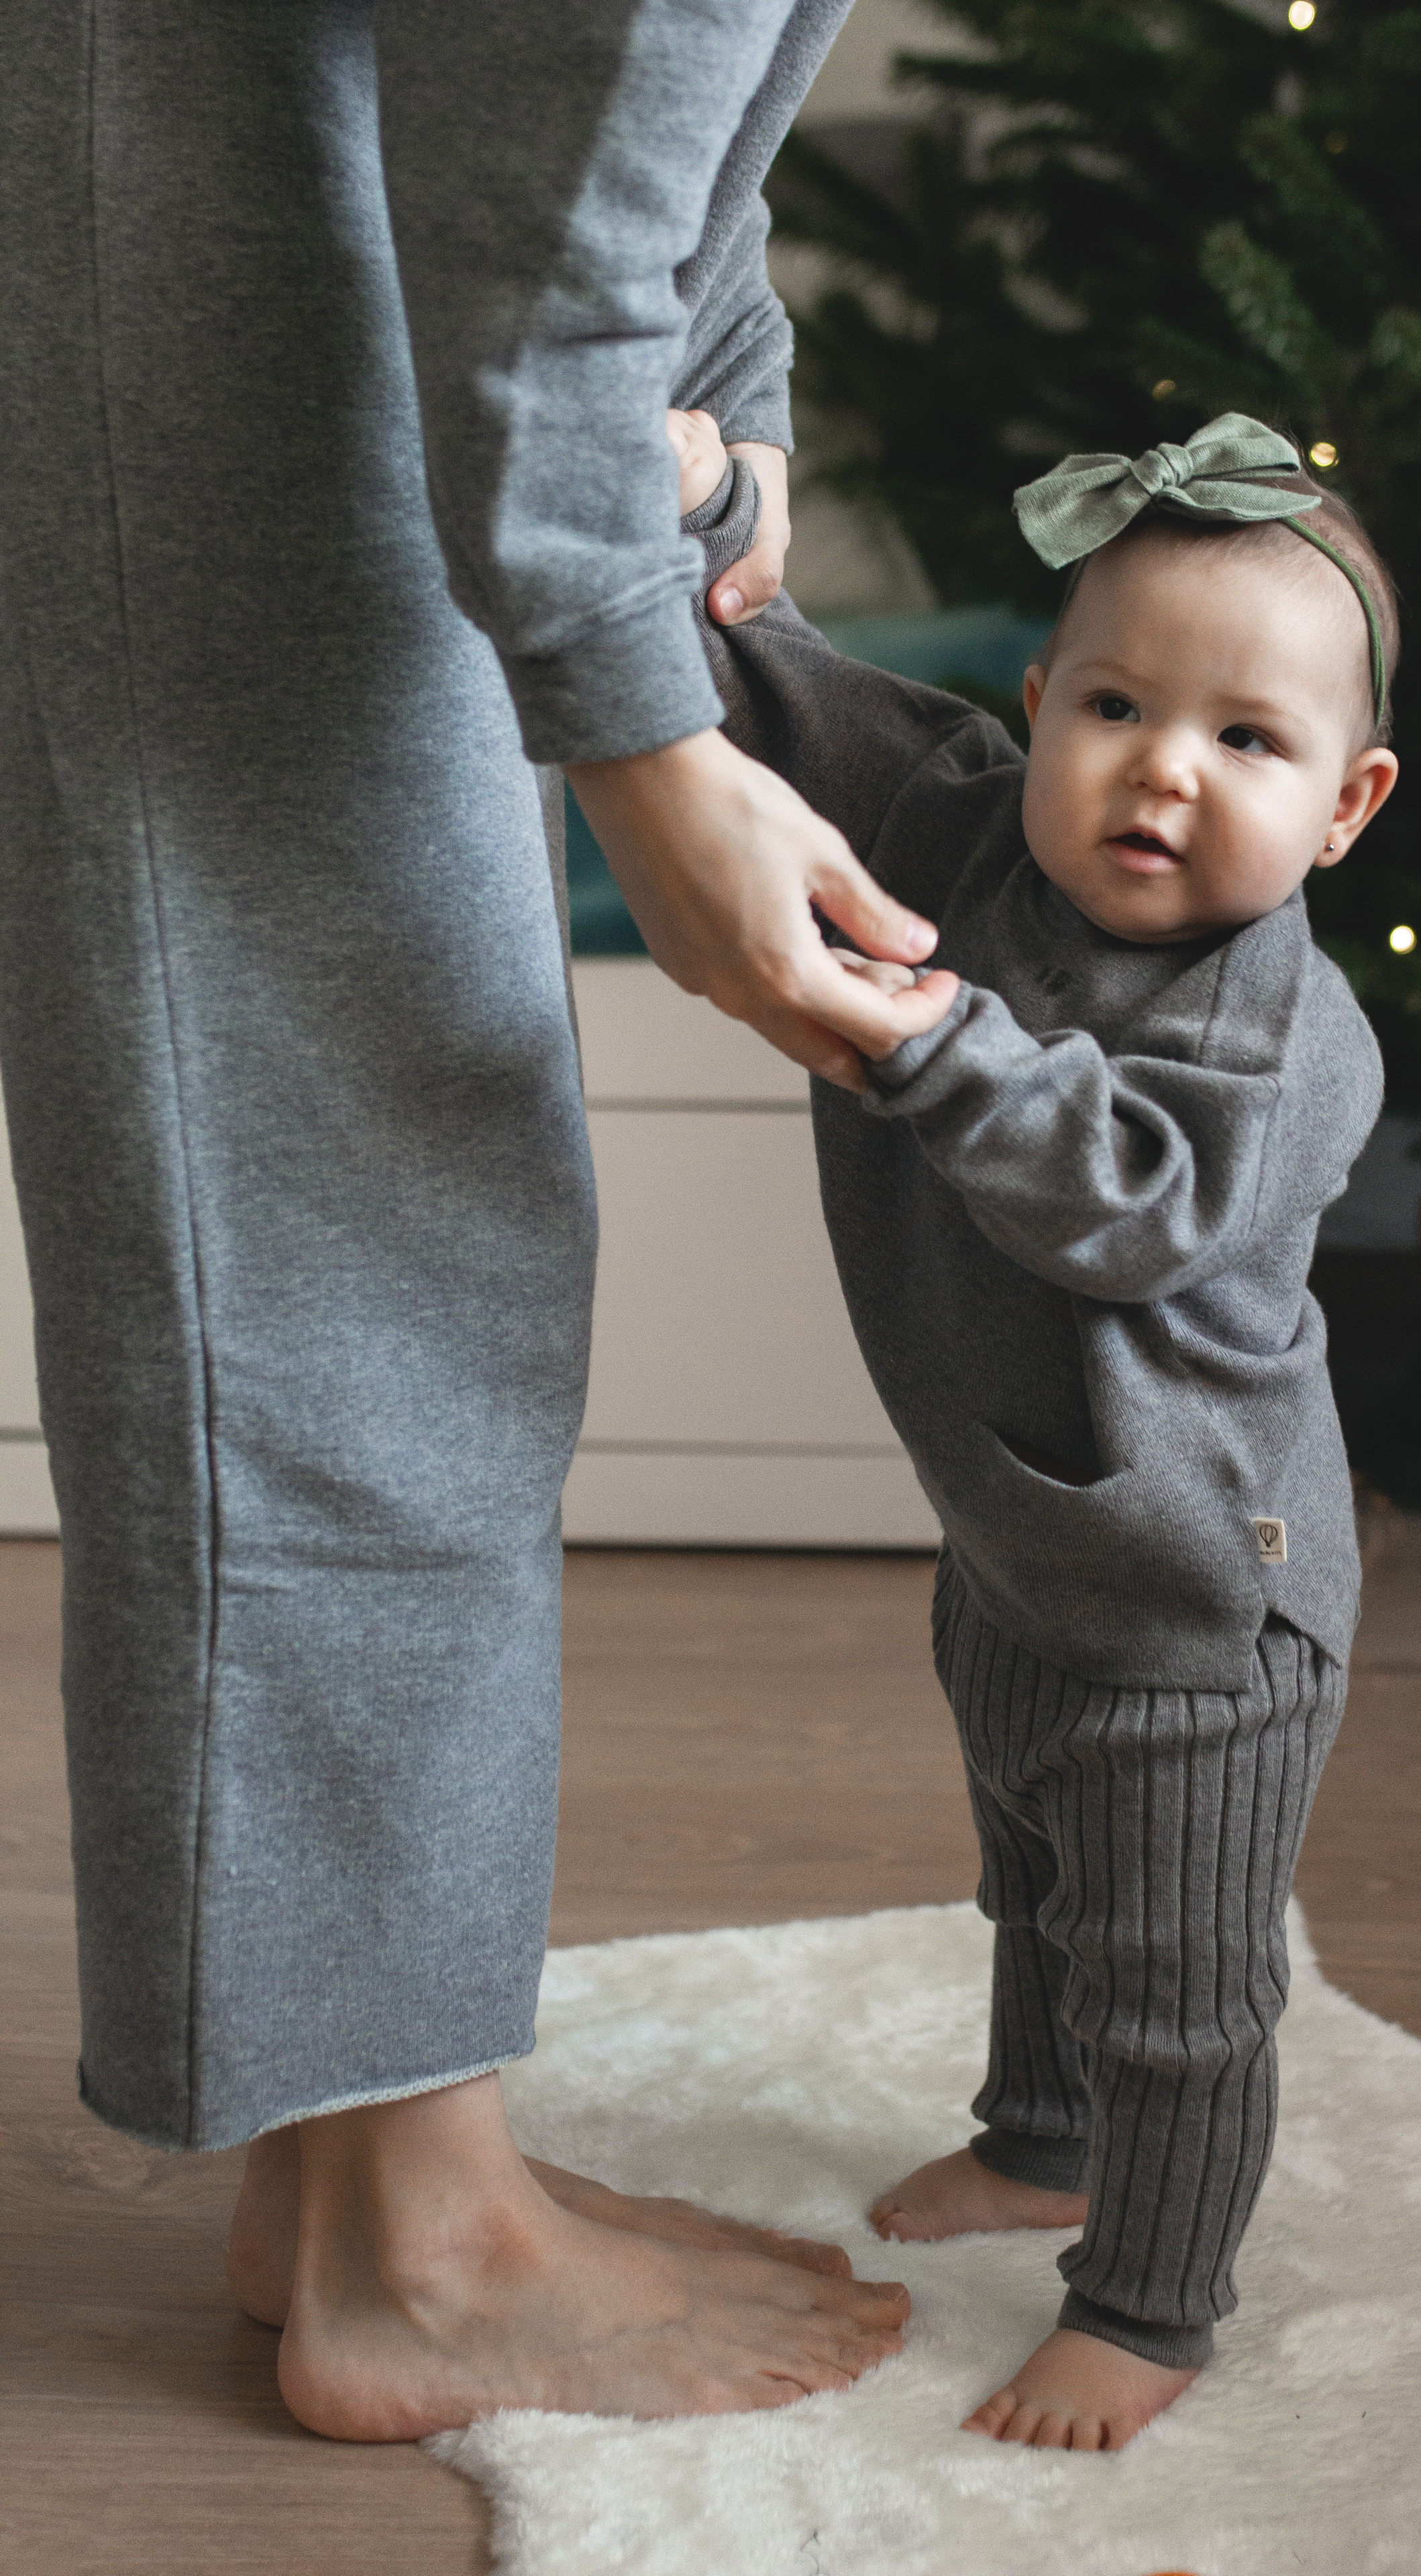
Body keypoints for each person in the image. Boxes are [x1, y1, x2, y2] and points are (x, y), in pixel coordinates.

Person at [0, 1, 950, 2445]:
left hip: (264, 194)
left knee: (375, 1196)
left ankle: (352, 2163)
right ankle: (414, 2249)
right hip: (196, 231)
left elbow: (635, 121)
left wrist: (719, 443)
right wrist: (646, 743)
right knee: (327, 1200)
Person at [671, 406, 1398, 2450]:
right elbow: (787, 690)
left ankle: (1154, 2303)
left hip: (1196, 1606)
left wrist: (941, 1046)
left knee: (1175, 1978)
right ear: (1037, 704)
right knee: (1033, 1885)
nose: (1163, 765)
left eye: (1247, 743)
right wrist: (702, 539)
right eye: (1116, 704)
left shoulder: (1281, 1034)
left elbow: (1139, 1202)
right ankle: (1039, 2136)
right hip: (1014, 1541)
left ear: (1346, 807)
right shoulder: (978, 828)